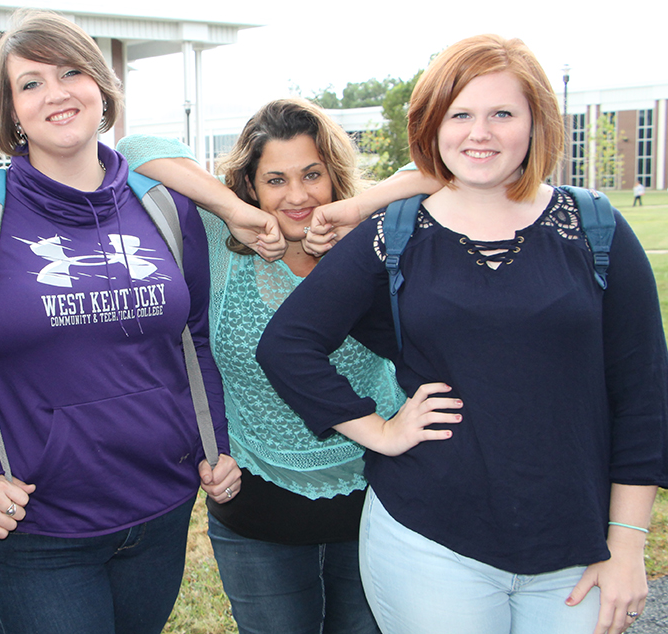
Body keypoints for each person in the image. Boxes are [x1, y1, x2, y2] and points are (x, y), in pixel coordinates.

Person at [257, 34, 668, 634]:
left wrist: (628, 543)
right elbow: (287, 344)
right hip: (429, 543)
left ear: (536, 124)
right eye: (461, 114)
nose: (481, 133)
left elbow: (643, 393)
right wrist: (379, 431)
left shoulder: (595, 227)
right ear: (433, 125)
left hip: (573, 545)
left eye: (503, 113)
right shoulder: (392, 236)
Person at [0, 9, 241, 634]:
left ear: (101, 88)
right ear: (10, 112)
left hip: (161, 511)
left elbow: (193, 337)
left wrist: (213, 440)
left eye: (70, 72)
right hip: (40, 531)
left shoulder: (164, 205)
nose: (55, 93)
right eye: (29, 83)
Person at [115, 99, 441, 634]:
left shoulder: (376, 235)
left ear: (334, 174)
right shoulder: (223, 245)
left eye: (312, 174)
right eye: (275, 179)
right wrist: (233, 211)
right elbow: (136, 151)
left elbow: (443, 169)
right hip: (256, 508)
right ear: (251, 185)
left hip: (374, 499)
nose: (297, 195)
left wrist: (356, 210)